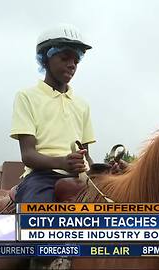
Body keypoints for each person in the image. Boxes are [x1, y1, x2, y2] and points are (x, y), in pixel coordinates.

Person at [10, 23, 95, 203]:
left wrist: (108, 171)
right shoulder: (27, 97)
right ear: (45, 59)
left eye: (76, 61)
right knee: (36, 219)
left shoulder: (82, 105)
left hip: (81, 177)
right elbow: (28, 155)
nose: (72, 65)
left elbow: (86, 155)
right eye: (65, 58)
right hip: (42, 178)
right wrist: (63, 163)